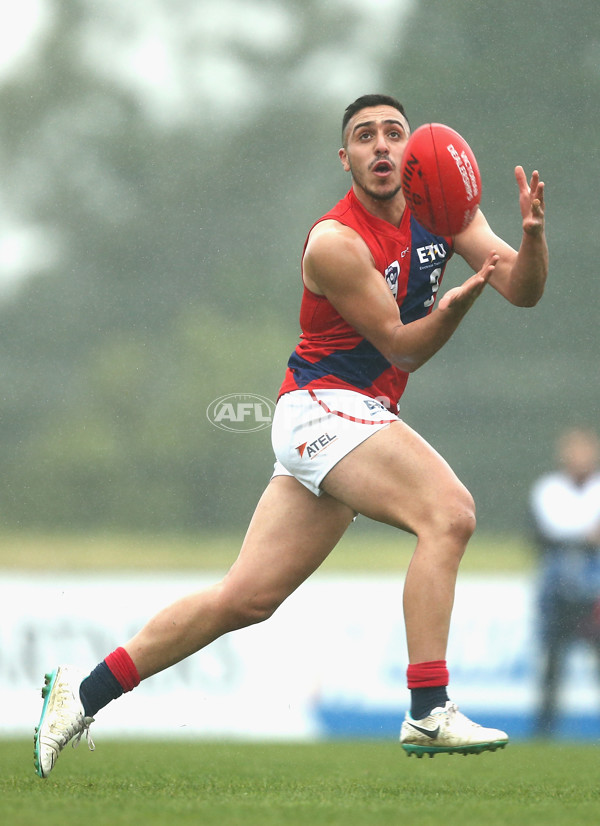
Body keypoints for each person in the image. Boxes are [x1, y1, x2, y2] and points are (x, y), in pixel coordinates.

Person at [34, 93, 548, 776]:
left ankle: (81, 692)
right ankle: (429, 707)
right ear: (347, 159)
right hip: (322, 408)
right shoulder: (336, 242)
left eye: (394, 132)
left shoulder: (442, 207)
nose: (383, 145)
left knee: (244, 599)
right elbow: (402, 347)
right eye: (365, 137)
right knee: (449, 513)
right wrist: (454, 306)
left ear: (412, 151)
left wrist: (534, 237)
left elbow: (524, 288)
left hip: (352, 417)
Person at [530, 427, 600, 737]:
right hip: (557, 589)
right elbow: (546, 532)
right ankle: (544, 731)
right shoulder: (549, 488)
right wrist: (584, 536)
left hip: (594, 590)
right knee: (552, 663)